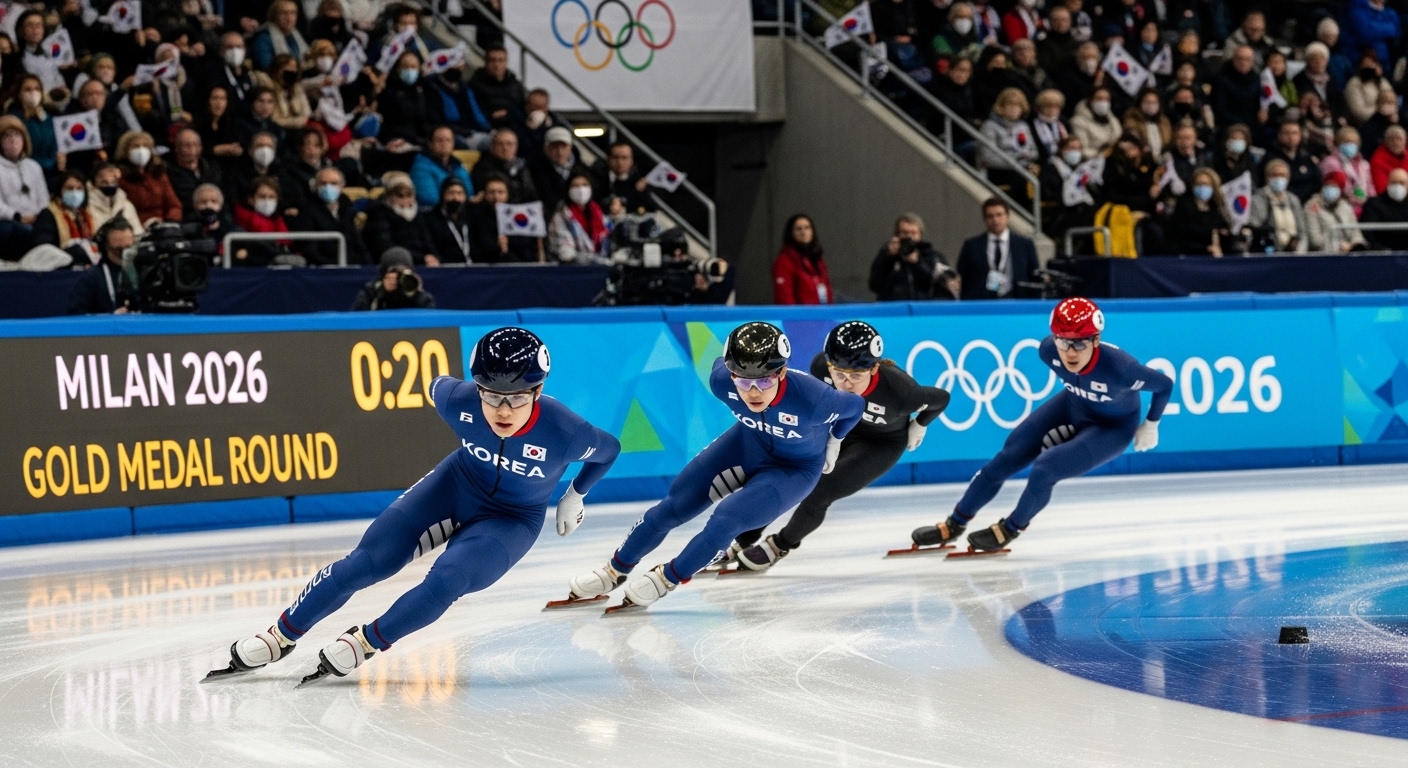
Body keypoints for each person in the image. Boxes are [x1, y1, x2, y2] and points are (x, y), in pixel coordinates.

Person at [211, 328, 620, 684]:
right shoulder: (453, 399)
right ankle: (280, 635)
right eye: (492, 396)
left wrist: (575, 494)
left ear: (538, 391)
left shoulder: (566, 431)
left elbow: (609, 450)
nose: (502, 410)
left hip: (512, 519)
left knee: (448, 580)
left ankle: (367, 641)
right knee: (367, 562)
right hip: (454, 486)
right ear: (477, 387)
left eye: (516, 398)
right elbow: (435, 382)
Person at [563, 322, 863, 612]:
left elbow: (855, 406)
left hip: (794, 470)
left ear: (782, 372)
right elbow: (724, 364)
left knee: (726, 519)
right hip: (746, 446)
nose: (753, 392)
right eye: (744, 381)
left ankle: (668, 577)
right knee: (673, 504)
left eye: (765, 381)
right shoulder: (721, 380)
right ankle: (615, 570)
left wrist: (836, 439)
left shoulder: (815, 400)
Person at [909, 298, 1172, 554]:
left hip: (1112, 428)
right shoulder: (1048, 351)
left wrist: (1151, 423)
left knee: (1046, 468)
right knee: (1008, 455)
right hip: (1072, 407)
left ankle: (1011, 528)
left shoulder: (1122, 369)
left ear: (1095, 340)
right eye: (1063, 341)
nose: (1070, 352)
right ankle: (956, 522)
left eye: (1079, 344)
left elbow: (1164, 384)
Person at [722, 322, 951, 571]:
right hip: (840, 430)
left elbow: (941, 398)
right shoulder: (820, 366)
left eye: (856, 376)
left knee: (822, 491)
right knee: (788, 477)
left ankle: (780, 544)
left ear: (874, 368)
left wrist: (920, 423)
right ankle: (743, 539)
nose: (846, 383)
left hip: (881, 444)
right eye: (839, 374)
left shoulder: (903, 393)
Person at [956, 197, 1037, 299]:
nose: (995, 220)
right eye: (990, 216)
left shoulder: (1025, 245)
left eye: (999, 215)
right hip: (981, 305)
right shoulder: (971, 246)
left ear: (1007, 216)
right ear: (984, 219)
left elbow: (1034, 276)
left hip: (1016, 304)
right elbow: (963, 276)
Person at [868, 213, 954, 300]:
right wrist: (889, 258)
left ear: (920, 235)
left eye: (913, 233)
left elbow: (941, 286)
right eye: (905, 233)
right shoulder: (887, 255)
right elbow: (875, 285)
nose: (909, 237)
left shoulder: (933, 256)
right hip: (894, 309)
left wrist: (917, 263)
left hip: (923, 309)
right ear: (897, 235)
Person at [292, 166, 368, 265]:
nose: (328, 187)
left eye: (334, 183)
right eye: (323, 183)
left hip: (351, 264)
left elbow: (358, 244)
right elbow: (309, 249)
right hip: (324, 268)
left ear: (342, 186)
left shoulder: (347, 209)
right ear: (315, 186)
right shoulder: (307, 211)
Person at [0, 116, 50, 256]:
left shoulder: (34, 166)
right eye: (7, 136)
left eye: (17, 135)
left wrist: (39, 218)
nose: (13, 140)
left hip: (36, 220)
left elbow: (44, 199)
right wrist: (18, 217)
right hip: (9, 222)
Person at [66, 218, 136, 314]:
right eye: (118, 250)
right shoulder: (91, 279)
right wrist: (109, 318)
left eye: (128, 248)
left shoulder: (144, 272)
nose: (124, 254)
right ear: (105, 248)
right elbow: (75, 317)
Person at [115, 131, 182, 227]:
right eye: (136, 146)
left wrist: (168, 221)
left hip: (163, 224)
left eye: (145, 146)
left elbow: (174, 205)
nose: (141, 150)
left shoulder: (159, 174)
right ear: (125, 150)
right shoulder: (120, 176)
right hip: (135, 227)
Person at [364, 177, 436, 264]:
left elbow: (428, 241)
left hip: (423, 262)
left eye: (409, 195)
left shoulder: (419, 216)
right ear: (389, 196)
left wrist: (433, 256)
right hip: (395, 263)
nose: (405, 200)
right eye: (400, 195)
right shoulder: (378, 215)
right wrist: (421, 258)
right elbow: (384, 247)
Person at [470, 174, 541, 263]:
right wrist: (497, 248)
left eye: (500, 192)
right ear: (485, 194)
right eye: (492, 192)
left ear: (508, 194)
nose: (496, 196)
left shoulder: (519, 214)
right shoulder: (479, 217)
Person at [1164, 167, 1232, 255]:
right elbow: (1181, 233)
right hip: (1190, 253)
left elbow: (1223, 228)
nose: (1202, 187)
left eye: (1206, 184)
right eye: (1198, 184)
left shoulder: (1216, 207)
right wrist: (1207, 245)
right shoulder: (1184, 205)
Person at [33, 171, 98, 262]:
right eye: (69, 188)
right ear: (60, 191)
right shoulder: (48, 214)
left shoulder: (87, 215)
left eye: (79, 188)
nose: (75, 192)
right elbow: (44, 247)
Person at [379, 51, 442, 146]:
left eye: (413, 67)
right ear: (398, 69)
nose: (409, 70)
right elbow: (390, 122)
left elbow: (425, 122)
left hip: (419, 139)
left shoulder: (423, 91)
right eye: (405, 67)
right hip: (395, 139)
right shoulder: (389, 90)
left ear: (419, 69)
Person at [1248, 159, 1308, 253]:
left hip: (1294, 254)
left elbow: (1302, 232)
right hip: (1270, 253)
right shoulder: (1258, 199)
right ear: (1267, 178)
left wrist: (1299, 252)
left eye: (1283, 175)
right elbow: (1256, 227)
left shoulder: (1293, 200)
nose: (1279, 179)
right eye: (1275, 175)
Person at [547, 172, 608, 264]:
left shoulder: (598, 213)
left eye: (584, 185)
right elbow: (566, 252)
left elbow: (608, 237)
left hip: (600, 268)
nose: (581, 189)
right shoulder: (561, 216)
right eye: (575, 186)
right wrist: (592, 259)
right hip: (572, 270)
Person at [772, 213, 833, 304]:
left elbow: (827, 287)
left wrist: (829, 313)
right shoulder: (785, 261)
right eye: (799, 229)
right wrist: (795, 317)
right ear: (791, 233)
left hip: (822, 314)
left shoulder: (817, 258)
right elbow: (785, 297)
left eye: (807, 228)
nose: (803, 232)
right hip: (801, 316)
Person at [533, 126, 592, 216]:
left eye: (563, 146)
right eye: (554, 147)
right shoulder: (536, 172)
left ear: (570, 147)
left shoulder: (583, 170)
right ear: (546, 148)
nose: (559, 151)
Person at [352, 247, 437, 310]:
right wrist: (383, 292)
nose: (399, 275)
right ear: (384, 273)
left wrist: (417, 293)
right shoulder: (370, 291)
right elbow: (357, 318)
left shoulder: (416, 292)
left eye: (403, 271)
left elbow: (430, 318)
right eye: (394, 271)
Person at [409, 126, 473, 208]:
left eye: (448, 140)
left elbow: (469, 192)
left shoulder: (458, 166)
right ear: (430, 144)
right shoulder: (420, 167)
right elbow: (430, 199)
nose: (444, 143)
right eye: (439, 140)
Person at [1304, 171, 1366, 252]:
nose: (1331, 189)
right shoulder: (1312, 207)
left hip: (1349, 252)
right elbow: (1315, 242)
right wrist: (1339, 246)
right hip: (1324, 256)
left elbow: (1356, 233)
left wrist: (1355, 245)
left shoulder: (1346, 207)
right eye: (1328, 186)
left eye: (1334, 186)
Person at [471, 128, 537, 203]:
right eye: (500, 144)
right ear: (492, 147)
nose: (505, 148)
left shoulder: (522, 166)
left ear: (516, 146)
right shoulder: (482, 168)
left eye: (509, 144)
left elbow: (531, 193)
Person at [468, 45, 526, 129]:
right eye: (492, 60)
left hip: (515, 129)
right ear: (486, 62)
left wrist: (509, 114)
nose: (496, 65)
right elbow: (473, 113)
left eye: (501, 60)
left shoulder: (515, 85)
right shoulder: (474, 85)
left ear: (506, 62)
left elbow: (523, 110)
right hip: (487, 129)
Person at [1262, 121, 1321, 203]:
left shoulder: (1306, 157)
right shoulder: (1271, 158)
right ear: (1279, 136)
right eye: (1286, 133)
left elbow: (1317, 181)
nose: (1291, 137)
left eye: (1294, 133)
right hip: (1283, 202)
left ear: (1300, 136)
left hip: (1310, 203)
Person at [1320, 127, 1375, 215]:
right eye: (1346, 142)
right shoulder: (1330, 162)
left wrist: (1371, 201)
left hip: (1365, 206)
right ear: (1338, 143)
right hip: (1342, 206)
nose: (1350, 145)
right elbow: (1333, 186)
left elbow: (1370, 187)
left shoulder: (1364, 164)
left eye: (1353, 143)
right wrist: (1355, 198)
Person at [167, 129, 221, 215]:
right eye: (187, 145)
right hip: (187, 216)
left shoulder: (211, 168)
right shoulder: (169, 171)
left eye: (196, 145)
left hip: (215, 213)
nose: (192, 149)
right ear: (176, 148)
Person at [1210, 45, 1261, 132]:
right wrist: (1241, 124)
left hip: (1252, 126)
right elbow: (1219, 109)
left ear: (1252, 62)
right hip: (1228, 126)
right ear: (1233, 59)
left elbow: (1257, 104)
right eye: (1240, 58)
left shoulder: (1256, 79)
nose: (1243, 62)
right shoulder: (1221, 79)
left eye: (1247, 59)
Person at [593, 141, 652, 214]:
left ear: (631, 161)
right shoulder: (597, 179)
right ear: (608, 159)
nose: (619, 162)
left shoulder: (639, 183)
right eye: (615, 157)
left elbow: (649, 209)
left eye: (624, 158)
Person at [87, 163, 144, 236]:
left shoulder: (126, 206)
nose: (109, 183)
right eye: (104, 181)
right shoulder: (87, 208)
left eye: (113, 180)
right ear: (94, 182)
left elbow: (138, 232)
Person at [249, 0, 308, 72]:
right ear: (274, 16)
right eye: (284, 13)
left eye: (293, 13)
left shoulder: (295, 36)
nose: (289, 18)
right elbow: (268, 67)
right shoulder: (263, 39)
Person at [425, 177, 472, 264]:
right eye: (451, 193)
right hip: (445, 269)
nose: (456, 198)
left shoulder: (472, 216)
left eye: (460, 193)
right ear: (443, 195)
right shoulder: (431, 219)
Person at [1359, 167, 1408, 250]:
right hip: (1381, 254)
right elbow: (1367, 232)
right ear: (1388, 183)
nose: (1397, 186)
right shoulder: (1374, 204)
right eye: (1394, 182)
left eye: (1401, 183)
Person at [1345, 50, 1393, 126]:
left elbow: (1391, 99)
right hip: (1365, 124)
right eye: (1365, 64)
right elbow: (1358, 112)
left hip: (1385, 121)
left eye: (1371, 64)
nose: (1368, 67)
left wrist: (1379, 79)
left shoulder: (1383, 82)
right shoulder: (1354, 83)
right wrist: (1378, 110)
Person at [1071, 87, 1120, 158]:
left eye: (1107, 99)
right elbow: (1082, 150)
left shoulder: (1111, 118)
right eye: (1099, 99)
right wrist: (1101, 154)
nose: (1103, 103)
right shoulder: (1079, 122)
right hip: (1093, 160)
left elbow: (1118, 136)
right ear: (1091, 100)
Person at [1123, 89, 1171, 157]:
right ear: (1140, 103)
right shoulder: (1132, 122)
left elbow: (1167, 143)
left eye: (1154, 102)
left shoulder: (1164, 122)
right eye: (1147, 102)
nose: (1151, 105)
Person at [1370, 126, 1408, 192]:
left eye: (1399, 139)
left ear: (1405, 141)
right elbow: (1381, 189)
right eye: (1392, 139)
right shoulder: (1378, 161)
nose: (1396, 143)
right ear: (1386, 142)